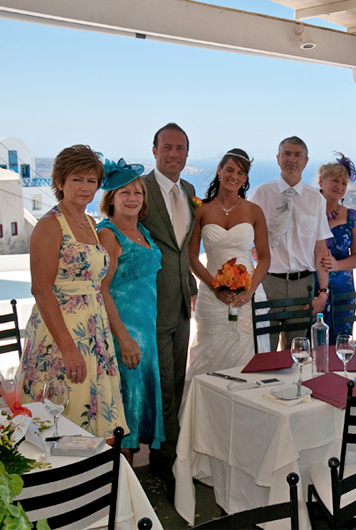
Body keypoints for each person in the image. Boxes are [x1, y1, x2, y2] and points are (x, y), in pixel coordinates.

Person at [20, 145, 127, 437]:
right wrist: (68, 349)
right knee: (61, 420)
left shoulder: (90, 223)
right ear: (60, 182)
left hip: (94, 332)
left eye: (91, 181)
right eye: (77, 179)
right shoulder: (49, 225)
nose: (85, 187)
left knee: (94, 422)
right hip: (61, 335)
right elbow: (42, 291)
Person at [97, 159, 165, 466]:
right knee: (123, 414)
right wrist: (123, 339)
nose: (132, 197)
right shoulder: (108, 235)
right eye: (124, 192)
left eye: (137, 192)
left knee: (134, 412)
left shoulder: (143, 232)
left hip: (146, 337)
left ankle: (128, 492)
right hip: (124, 339)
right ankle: (120, 493)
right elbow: (101, 290)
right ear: (110, 198)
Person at [140, 123, 197, 482]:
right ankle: (165, 464)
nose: (173, 154)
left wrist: (190, 287)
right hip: (150, 302)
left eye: (180, 148)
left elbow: (184, 247)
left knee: (178, 377)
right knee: (160, 382)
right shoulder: (139, 189)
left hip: (182, 301)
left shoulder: (189, 190)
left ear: (187, 154)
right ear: (154, 149)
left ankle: (174, 454)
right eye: (167, 147)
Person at [186, 149, 270, 379]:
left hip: (247, 293)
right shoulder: (201, 210)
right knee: (209, 355)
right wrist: (215, 287)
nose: (234, 176)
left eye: (240, 173)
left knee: (247, 356)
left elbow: (264, 257)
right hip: (212, 294)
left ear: (245, 179)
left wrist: (250, 290)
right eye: (230, 169)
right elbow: (192, 256)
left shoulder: (254, 211)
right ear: (219, 170)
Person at [249, 136, 333, 350]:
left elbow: (321, 249)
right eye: (287, 154)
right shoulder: (261, 194)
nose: (291, 159)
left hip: (302, 286)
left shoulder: (316, 199)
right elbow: (246, 236)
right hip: (268, 283)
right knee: (264, 349)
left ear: (306, 161)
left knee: (296, 353)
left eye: (297, 155)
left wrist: (323, 292)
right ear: (278, 159)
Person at [317, 153, 356, 344]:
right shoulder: (308, 211)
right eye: (335, 180)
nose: (340, 186)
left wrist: (337, 265)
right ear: (321, 181)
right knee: (313, 344)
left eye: (344, 183)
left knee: (341, 344)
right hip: (314, 288)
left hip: (344, 292)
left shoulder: (352, 216)